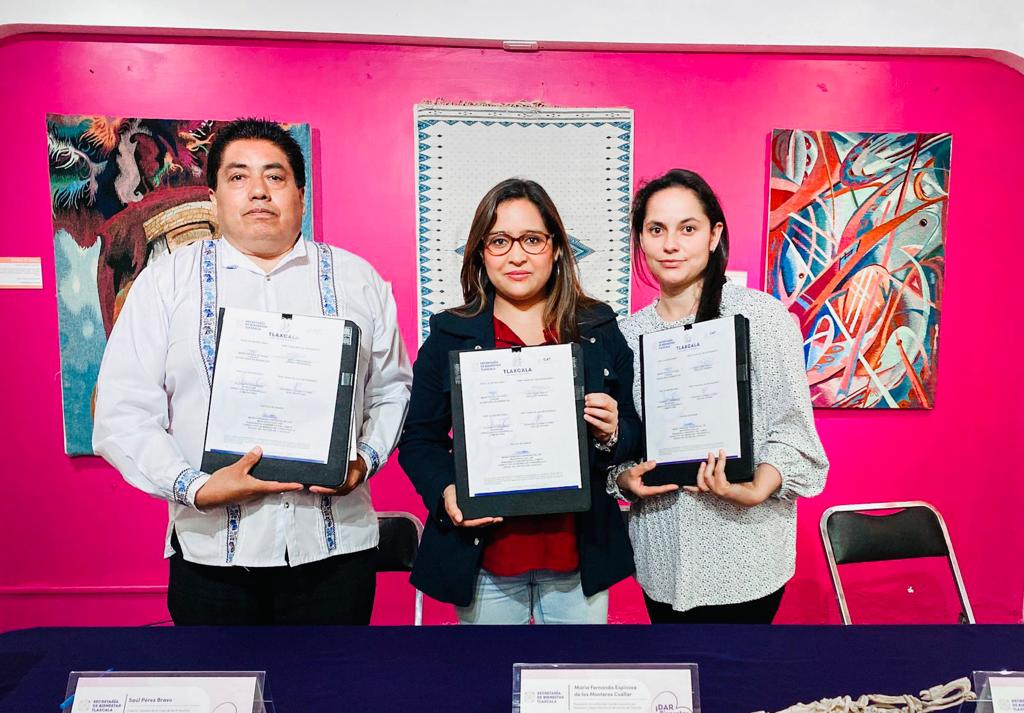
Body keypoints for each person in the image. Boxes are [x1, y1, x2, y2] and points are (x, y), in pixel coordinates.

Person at [93, 118, 412, 625]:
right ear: (215, 197)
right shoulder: (165, 282)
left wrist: (363, 461)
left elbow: (392, 389)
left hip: (337, 556)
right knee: (218, 679)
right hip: (212, 556)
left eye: (275, 176)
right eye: (238, 176)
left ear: (300, 196)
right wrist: (194, 487)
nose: (258, 191)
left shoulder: (359, 280)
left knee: (334, 677)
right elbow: (121, 412)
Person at [399, 178, 638, 624]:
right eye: (499, 241)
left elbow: (635, 434)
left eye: (532, 239)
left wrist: (614, 432)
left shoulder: (597, 328)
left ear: (556, 248)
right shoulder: (450, 334)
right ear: (480, 253)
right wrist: (447, 491)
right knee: (488, 670)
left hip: (577, 557)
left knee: (575, 670)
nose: (516, 255)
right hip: (484, 559)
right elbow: (419, 440)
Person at [611, 169, 828, 624]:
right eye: (656, 230)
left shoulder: (762, 318)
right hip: (661, 556)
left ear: (714, 235)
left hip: (744, 554)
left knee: (741, 671)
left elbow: (793, 430)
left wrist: (757, 487)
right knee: (673, 669)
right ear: (641, 240)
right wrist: (624, 478)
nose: (671, 244)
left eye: (688, 229)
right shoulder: (626, 336)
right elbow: (620, 441)